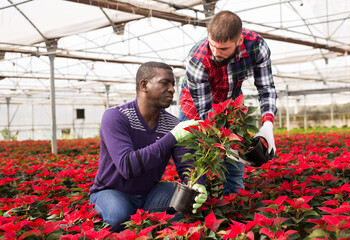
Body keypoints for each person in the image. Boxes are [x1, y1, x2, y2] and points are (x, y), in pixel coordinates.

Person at [89, 61, 206, 232]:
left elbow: (187, 164)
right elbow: (127, 166)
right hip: (112, 191)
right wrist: (171, 137)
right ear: (144, 85)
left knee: (190, 203)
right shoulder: (116, 117)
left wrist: (197, 184)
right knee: (119, 216)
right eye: (164, 83)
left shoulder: (173, 124)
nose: (172, 89)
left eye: (173, 84)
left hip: (151, 192)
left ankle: (148, 222)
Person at [179, 11, 277, 196]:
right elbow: (206, 112)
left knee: (234, 168)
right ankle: (194, 210)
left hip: (229, 105)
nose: (216, 53)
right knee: (196, 163)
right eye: (213, 45)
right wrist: (229, 139)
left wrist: (268, 123)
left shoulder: (257, 46)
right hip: (195, 108)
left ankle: (234, 206)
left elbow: (266, 88)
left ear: (239, 41)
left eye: (223, 49)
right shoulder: (197, 60)